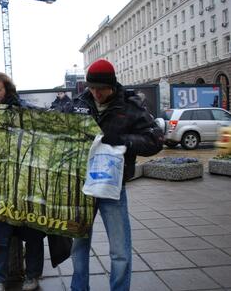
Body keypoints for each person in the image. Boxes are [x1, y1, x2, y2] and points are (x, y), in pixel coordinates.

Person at [70, 59, 164, 291]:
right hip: (82, 187)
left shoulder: (131, 106)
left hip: (113, 188)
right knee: (79, 246)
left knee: (120, 249)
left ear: (112, 85)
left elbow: (155, 140)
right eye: (91, 88)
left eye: (100, 88)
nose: (95, 93)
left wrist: (123, 141)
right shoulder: (79, 103)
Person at [0, 72, 46, 291]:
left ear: (7, 90)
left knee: (32, 234)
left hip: (26, 183)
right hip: (0, 187)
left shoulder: (27, 111)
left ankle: (32, 275)